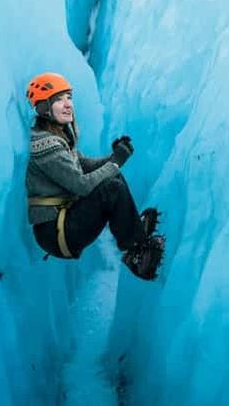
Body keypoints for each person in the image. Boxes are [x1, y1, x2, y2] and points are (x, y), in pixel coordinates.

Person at [24, 72, 165, 280]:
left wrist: (115, 157)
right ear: (44, 108)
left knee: (114, 177)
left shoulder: (57, 136)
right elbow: (81, 185)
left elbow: (84, 164)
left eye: (69, 98)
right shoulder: (47, 148)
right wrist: (115, 162)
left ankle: (133, 229)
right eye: (59, 100)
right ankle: (136, 252)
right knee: (112, 187)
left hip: (63, 221)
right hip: (55, 233)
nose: (68, 104)